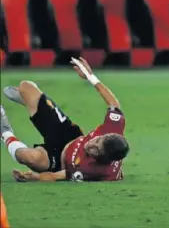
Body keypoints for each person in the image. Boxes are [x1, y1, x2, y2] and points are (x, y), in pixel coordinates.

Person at [0, 57, 129, 182]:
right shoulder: (114, 128)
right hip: (69, 135)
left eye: (96, 150)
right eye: (97, 140)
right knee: (26, 86)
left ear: (103, 159)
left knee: (27, 157)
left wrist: (34, 177)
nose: (90, 144)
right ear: (106, 135)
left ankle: (5, 131)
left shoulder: (92, 170)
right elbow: (114, 104)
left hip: (56, 161)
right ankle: (30, 102)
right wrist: (90, 77)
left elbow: (57, 176)